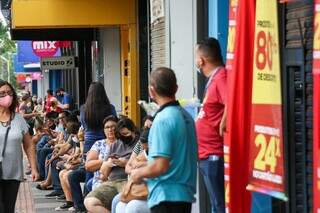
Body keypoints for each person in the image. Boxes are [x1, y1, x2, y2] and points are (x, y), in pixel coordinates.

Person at [130, 67, 198, 213]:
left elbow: (160, 166)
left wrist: (138, 174)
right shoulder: (187, 117)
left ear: (151, 91)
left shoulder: (163, 119)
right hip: (183, 196)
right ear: (176, 88)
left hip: (165, 197)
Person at [68, 82, 115, 212]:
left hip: (89, 143)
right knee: (106, 173)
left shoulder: (84, 109)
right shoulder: (110, 108)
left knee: (90, 175)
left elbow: (83, 125)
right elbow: (113, 121)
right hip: (106, 141)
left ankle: (86, 205)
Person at [195, 37, 227, 212]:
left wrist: (223, 123)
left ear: (201, 60)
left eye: (196, 57)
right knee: (216, 204)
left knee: (219, 205)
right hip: (206, 154)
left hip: (213, 154)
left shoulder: (221, 76)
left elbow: (232, 102)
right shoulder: (214, 79)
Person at [0, 80, 39, 213]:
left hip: (13, 173)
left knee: (8, 209)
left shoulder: (18, 119)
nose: (7, 96)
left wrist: (33, 168)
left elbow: (28, 145)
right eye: (2, 93)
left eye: (9, 93)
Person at [84, 117, 138, 213]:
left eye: (126, 134)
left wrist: (124, 163)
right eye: (120, 135)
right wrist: (108, 164)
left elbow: (143, 163)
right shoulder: (116, 144)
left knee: (119, 202)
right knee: (89, 202)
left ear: (133, 130)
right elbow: (103, 175)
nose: (123, 137)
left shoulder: (139, 144)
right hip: (112, 182)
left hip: (128, 181)